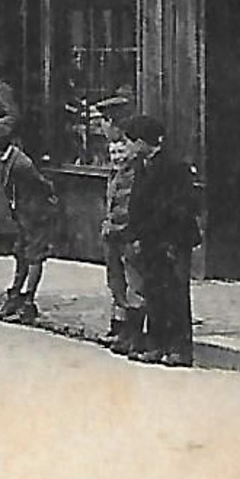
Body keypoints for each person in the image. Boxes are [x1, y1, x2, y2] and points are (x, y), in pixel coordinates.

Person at [123, 115, 200, 367]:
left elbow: (177, 208)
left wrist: (165, 239)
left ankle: (179, 348)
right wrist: (135, 235)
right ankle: (156, 345)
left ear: (146, 141)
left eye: (132, 141)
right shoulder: (141, 166)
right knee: (155, 292)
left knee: (176, 294)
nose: (129, 147)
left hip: (172, 240)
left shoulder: (174, 167)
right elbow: (136, 205)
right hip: (149, 240)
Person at [0, 121, 58, 322]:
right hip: (23, 215)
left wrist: (39, 210)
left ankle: (28, 302)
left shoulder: (21, 164)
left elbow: (42, 186)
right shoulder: (6, 159)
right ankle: (14, 296)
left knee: (34, 256)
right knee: (20, 253)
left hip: (36, 215)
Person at [100, 132, 145, 355]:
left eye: (120, 152)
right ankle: (121, 330)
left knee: (133, 283)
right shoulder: (113, 174)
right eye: (113, 153)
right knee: (116, 282)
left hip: (126, 234)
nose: (117, 157)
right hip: (112, 235)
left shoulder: (134, 174)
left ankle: (133, 334)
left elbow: (131, 207)